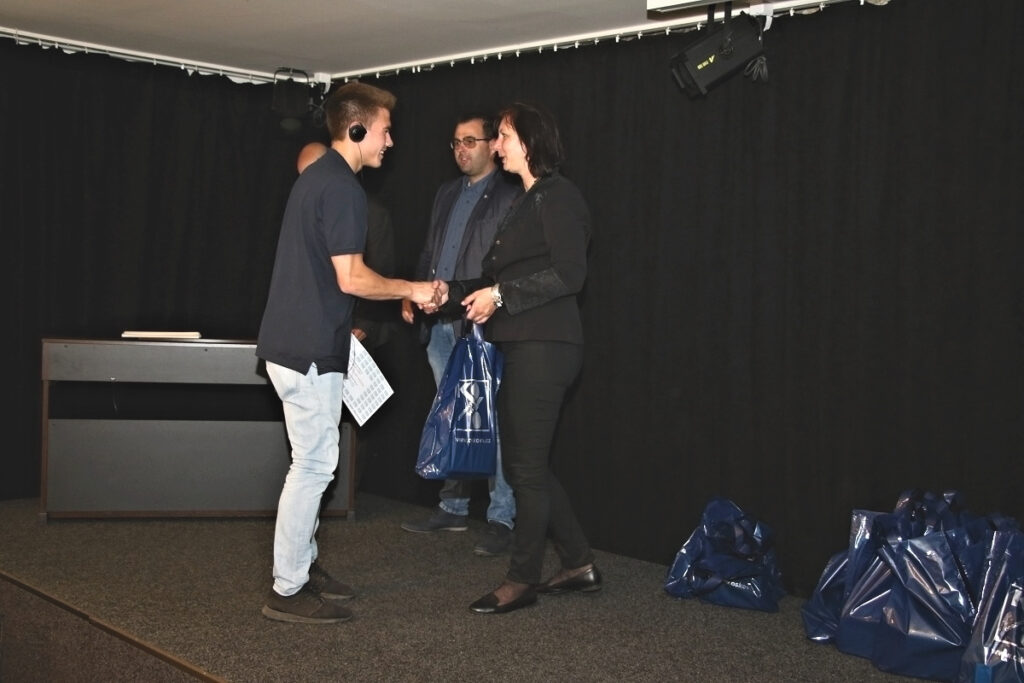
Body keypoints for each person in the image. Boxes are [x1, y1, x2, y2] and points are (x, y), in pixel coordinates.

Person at [256, 82, 443, 624]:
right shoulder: (341, 187)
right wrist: (412, 289)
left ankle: (303, 565)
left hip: (299, 344)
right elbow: (352, 278)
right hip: (309, 349)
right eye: (385, 131)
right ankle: (287, 588)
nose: (391, 142)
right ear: (356, 129)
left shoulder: (319, 179)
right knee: (313, 466)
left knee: (313, 463)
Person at [428, 102, 598, 614]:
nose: (496, 146)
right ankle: (578, 563)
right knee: (531, 465)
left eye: (502, 136)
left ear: (530, 141)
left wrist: (500, 296)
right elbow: (492, 279)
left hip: (547, 347)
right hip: (524, 346)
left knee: (524, 468)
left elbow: (570, 274)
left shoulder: (559, 196)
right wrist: (446, 293)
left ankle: (522, 579)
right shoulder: (525, 200)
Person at [400, 113, 522, 556]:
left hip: (481, 325)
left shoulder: (511, 194)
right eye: (455, 142)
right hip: (439, 325)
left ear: (491, 144)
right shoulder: (446, 192)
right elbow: (430, 250)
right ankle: (452, 507)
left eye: (470, 141)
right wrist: (412, 292)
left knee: (491, 419)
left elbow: (508, 266)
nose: (461, 150)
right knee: (450, 414)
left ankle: (501, 517)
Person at [296, 139, 401, 488]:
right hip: (315, 336)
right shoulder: (302, 213)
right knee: (312, 442)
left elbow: (378, 272)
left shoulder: (369, 210)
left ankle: (348, 495)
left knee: (355, 420)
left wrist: (364, 326)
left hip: (357, 334)